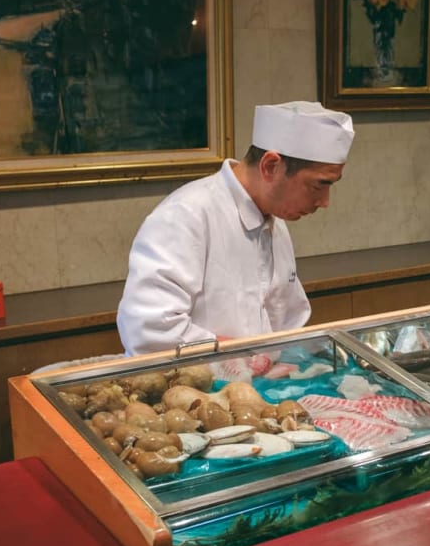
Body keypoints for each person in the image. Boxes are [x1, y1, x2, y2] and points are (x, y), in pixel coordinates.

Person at [117, 101, 354, 355]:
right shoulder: (184, 216)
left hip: (263, 385)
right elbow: (148, 329)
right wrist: (246, 358)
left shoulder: (276, 222)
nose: (324, 202)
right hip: (196, 390)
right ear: (270, 166)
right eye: (319, 185)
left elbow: (288, 321)